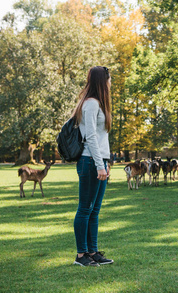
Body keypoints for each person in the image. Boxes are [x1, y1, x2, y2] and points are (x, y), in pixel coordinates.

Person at [72, 66, 114, 267]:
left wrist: (106, 162)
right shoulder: (90, 104)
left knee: (94, 210)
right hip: (90, 161)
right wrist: (99, 165)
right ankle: (81, 255)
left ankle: (93, 251)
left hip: (99, 161)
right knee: (85, 209)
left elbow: (101, 138)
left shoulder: (99, 104)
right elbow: (90, 138)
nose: (110, 82)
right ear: (101, 81)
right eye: (109, 79)